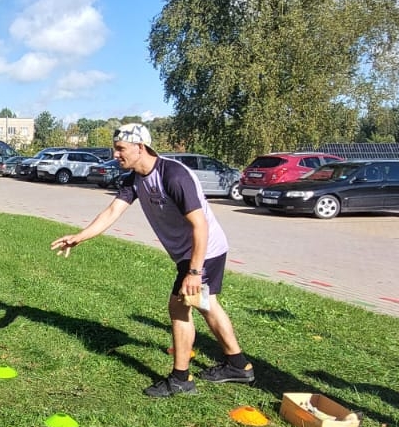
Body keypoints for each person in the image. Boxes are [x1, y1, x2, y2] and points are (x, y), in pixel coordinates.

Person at [49, 123, 255, 397]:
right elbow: (112, 211)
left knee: (180, 307)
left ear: (140, 147)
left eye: (121, 149)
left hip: (203, 251)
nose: (116, 154)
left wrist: (194, 271)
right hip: (189, 254)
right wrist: (80, 236)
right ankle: (239, 365)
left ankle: (181, 379)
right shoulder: (134, 178)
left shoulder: (173, 175)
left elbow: (200, 226)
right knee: (206, 305)